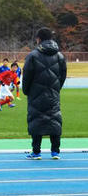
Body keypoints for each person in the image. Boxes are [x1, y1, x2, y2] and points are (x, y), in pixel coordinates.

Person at [23, 28, 67, 160]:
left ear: (39, 39)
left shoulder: (33, 55)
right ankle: (55, 151)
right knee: (54, 118)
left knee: (36, 118)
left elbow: (27, 76)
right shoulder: (59, 56)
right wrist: (56, 88)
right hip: (53, 92)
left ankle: (36, 151)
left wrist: (26, 90)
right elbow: (63, 75)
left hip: (36, 93)